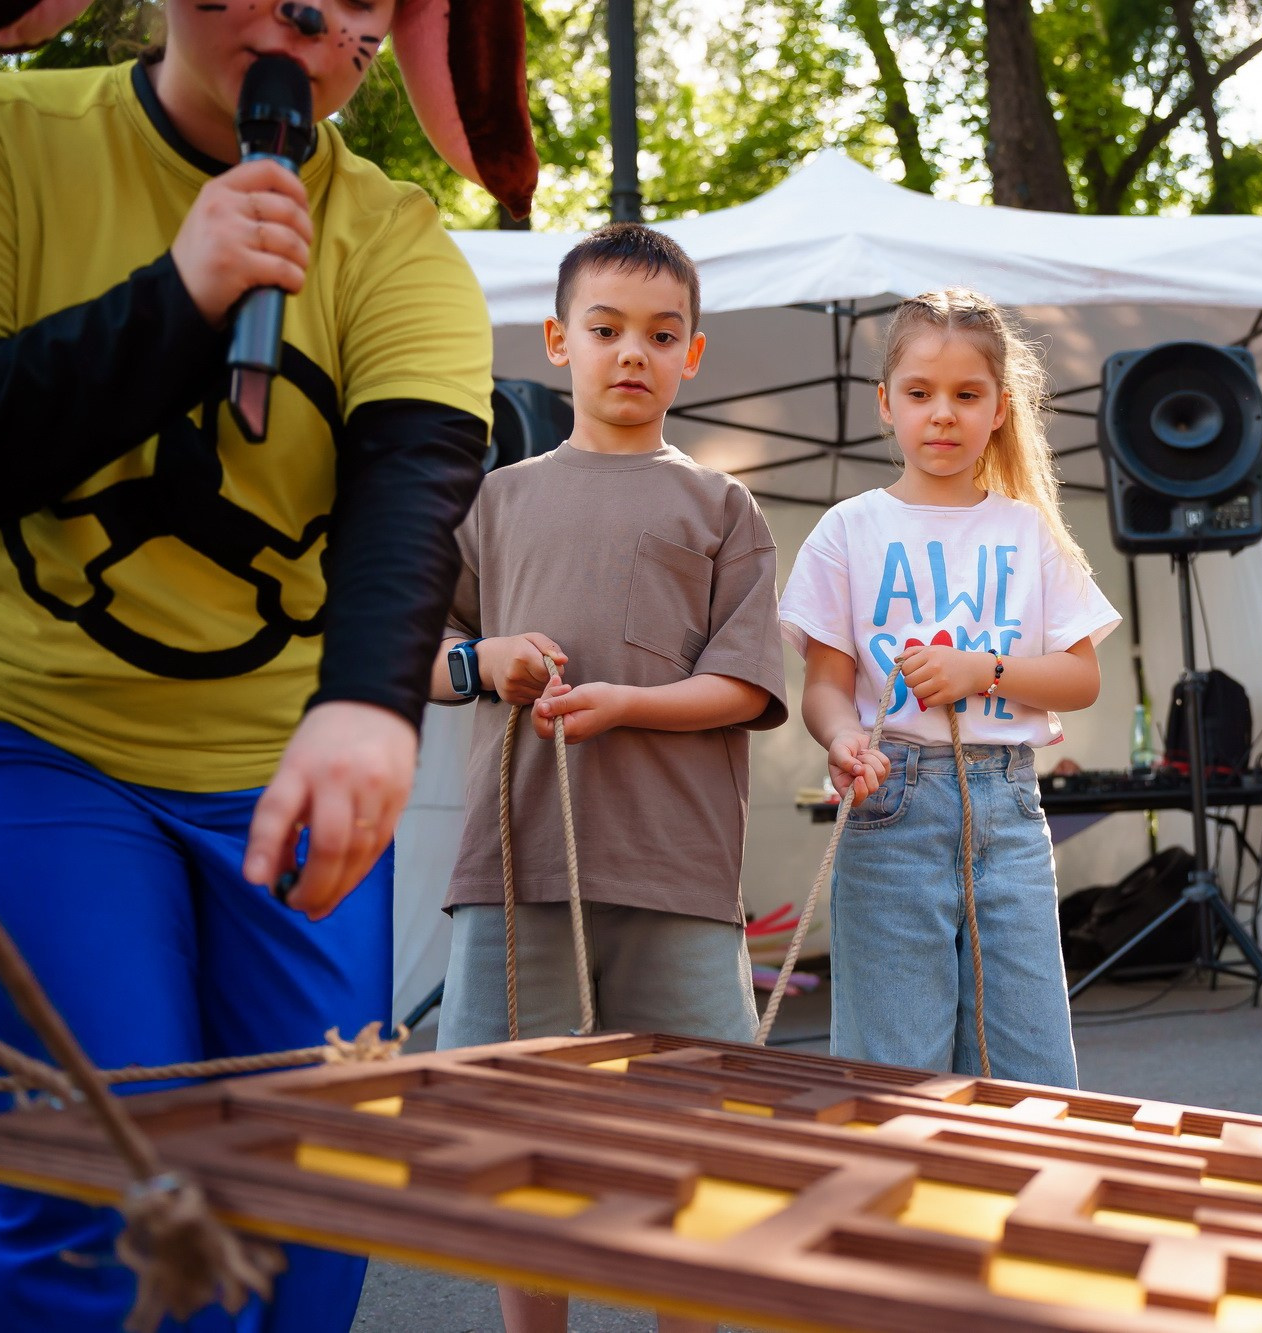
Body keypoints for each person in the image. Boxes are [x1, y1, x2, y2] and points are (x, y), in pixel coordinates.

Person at [0, 0, 534, 1326]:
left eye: (355, 33)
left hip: (284, 758)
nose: (309, 50)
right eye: (288, 5)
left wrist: (370, 708)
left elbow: (414, 486)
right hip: (27, 737)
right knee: (116, 1197)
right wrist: (177, 299)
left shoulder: (396, 235)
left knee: (313, 1197)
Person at [430, 222, 788, 1333]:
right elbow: (419, 658)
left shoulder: (724, 507)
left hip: (677, 871)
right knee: (521, 1140)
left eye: (659, 333)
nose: (631, 351)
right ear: (556, 341)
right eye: (604, 329)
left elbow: (744, 685)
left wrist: (628, 703)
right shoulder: (494, 500)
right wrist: (480, 659)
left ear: (692, 355)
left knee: (691, 1148)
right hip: (515, 866)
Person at [779, 288, 1120, 1087]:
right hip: (891, 800)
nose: (942, 414)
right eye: (920, 394)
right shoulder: (847, 530)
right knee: (895, 1067)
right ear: (885, 404)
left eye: (966, 395)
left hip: (1007, 806)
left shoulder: (1028, 529)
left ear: (1000, 408)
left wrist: (984, 670)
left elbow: (1081, 678)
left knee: (1029, 1070)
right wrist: (842, 738)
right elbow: (825, 686)